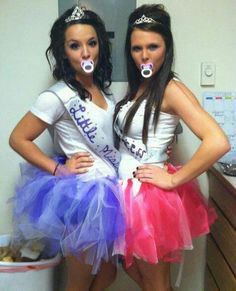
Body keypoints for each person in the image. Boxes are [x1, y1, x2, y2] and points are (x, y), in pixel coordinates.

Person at [111, 4, 230, 291]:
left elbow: (218, 141)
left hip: (147, 200)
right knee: (131, 268)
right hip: (125, 190)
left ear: (167, 46)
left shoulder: (170, 88)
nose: (144, 55)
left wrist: (174, 178)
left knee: (155, 283)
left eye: (153, 46)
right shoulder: (142, 84)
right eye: (137, 48)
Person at [9, 6, 125, 291]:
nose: (86, 53)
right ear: (64, 52)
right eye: (75, 45)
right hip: (85, 199)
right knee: (78, 280)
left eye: (92, 43)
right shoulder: (56, 96)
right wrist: (58, 169)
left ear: (100, 45)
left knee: (108, 273)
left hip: (109, 192)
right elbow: (18, 138)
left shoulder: (102, 89)